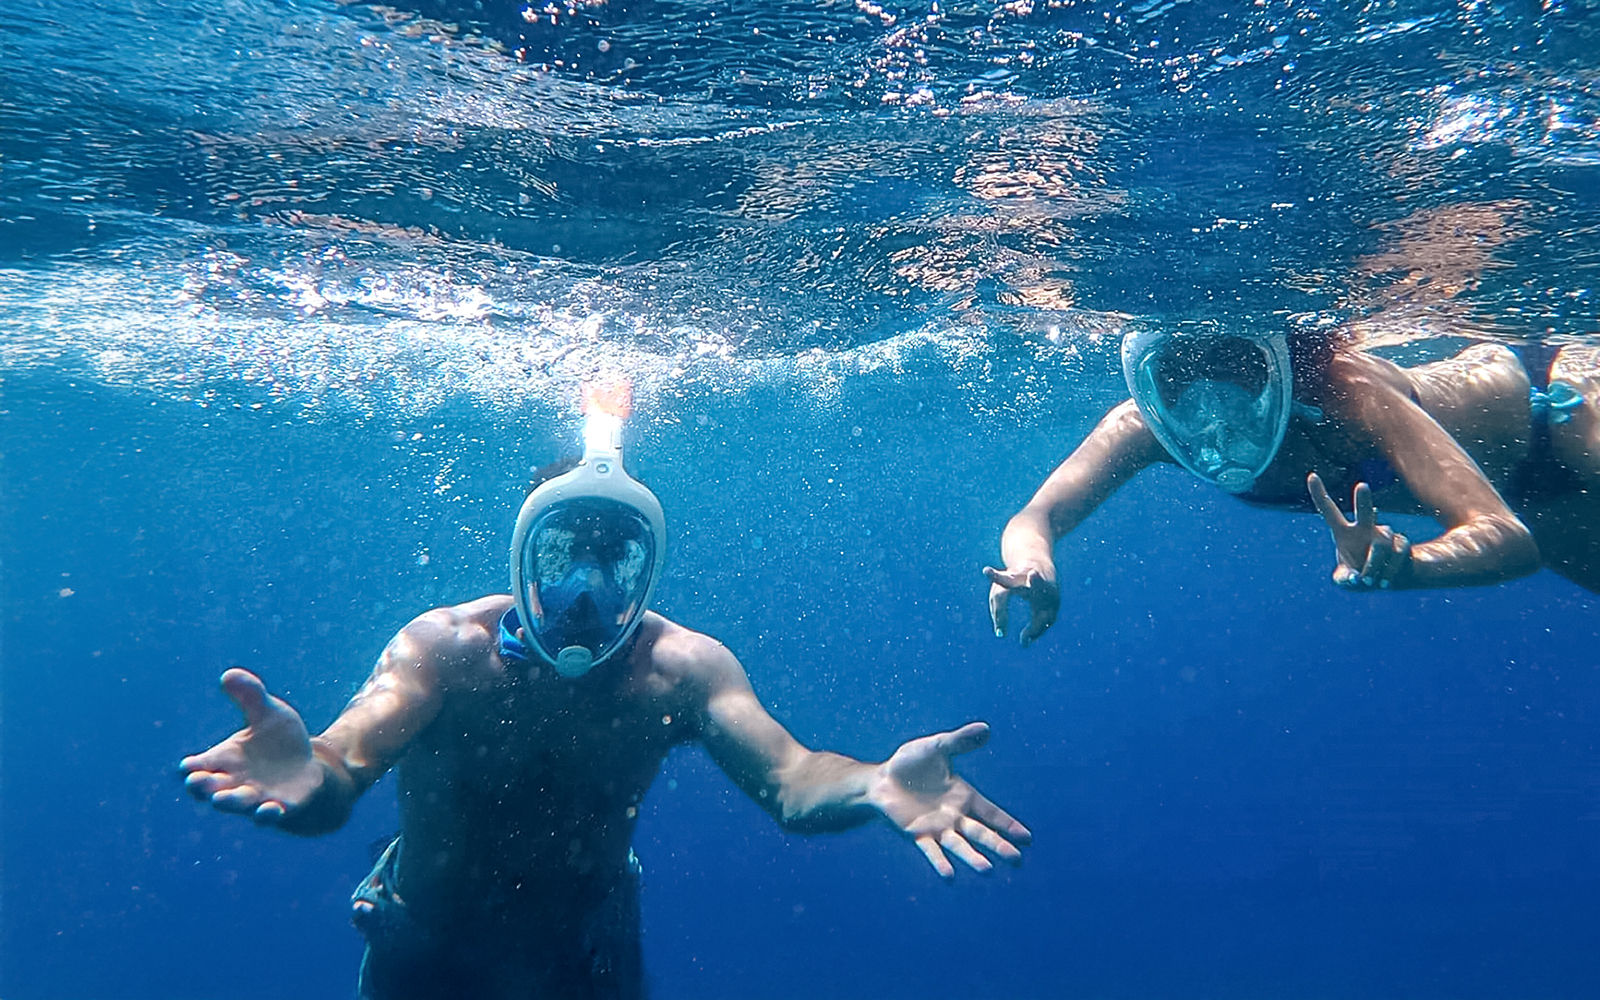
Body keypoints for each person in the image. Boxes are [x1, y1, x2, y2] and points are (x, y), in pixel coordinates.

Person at [183, 385, 1031, 1000]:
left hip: (583, 956)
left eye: (613, 560)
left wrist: (873, 782)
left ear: (646, 564)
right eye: (562, 560)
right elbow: (341, 767)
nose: (586, 595)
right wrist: (310, 779)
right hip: (431, 951)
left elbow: (792, 779)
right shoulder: (443, 652)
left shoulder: (680, 670)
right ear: (520, 555)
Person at [985, 320, 1600, 646]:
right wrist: (1035, 568)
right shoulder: (1145, 426)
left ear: (1283, 369)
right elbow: (1036, 517)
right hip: (1536, 496)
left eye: (1235, 384)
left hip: (1568, 413)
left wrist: (1413, 564)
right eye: (1182, 393)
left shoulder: (1354, 397)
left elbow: (1501, 536)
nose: (1216, 425)